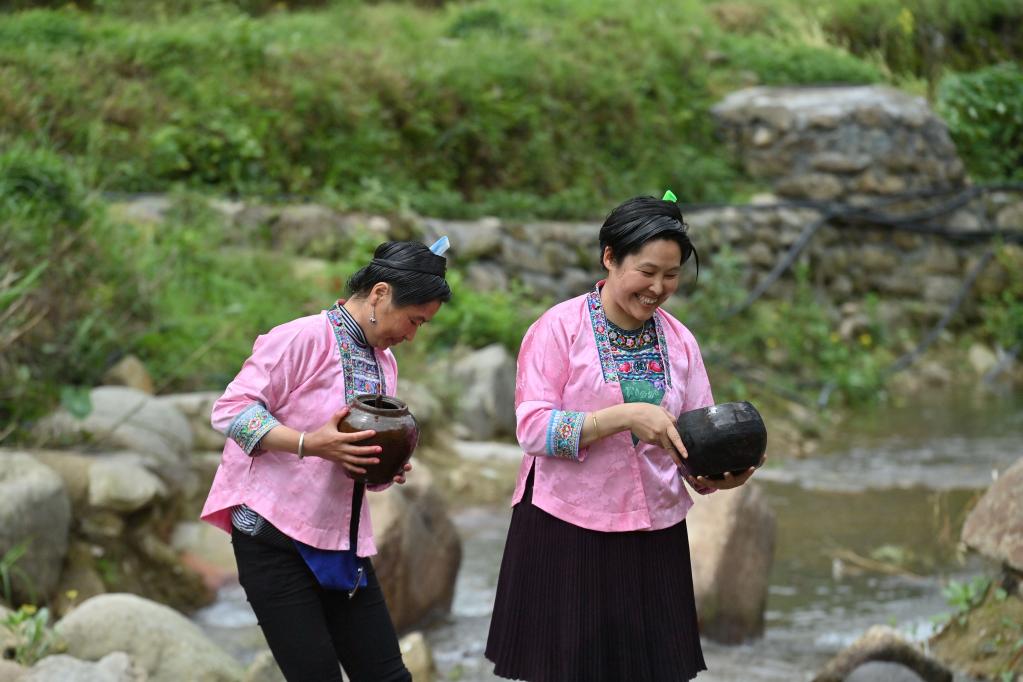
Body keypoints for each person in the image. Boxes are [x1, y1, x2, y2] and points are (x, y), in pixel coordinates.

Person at [484, 194, 761, 682]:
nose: (658, 288)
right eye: (647, 271)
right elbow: (531, 429)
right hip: (565, 524)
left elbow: (692, 440)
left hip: (654, 531)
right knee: (567, 671)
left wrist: (718, 474)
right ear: (609, 257)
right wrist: (622, 417)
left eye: (671, 275)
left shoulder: (680, 342)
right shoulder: (559, 329)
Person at [200, 240, 451, 682]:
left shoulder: (384, 363)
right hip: (272, 537)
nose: (412, 335)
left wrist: (379, 468)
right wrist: (307, 443)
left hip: (340, 539)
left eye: (422, 325)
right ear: (379, 294)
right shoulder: (301, 338)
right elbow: (231, 410)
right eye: (413, 320)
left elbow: (349, 458)